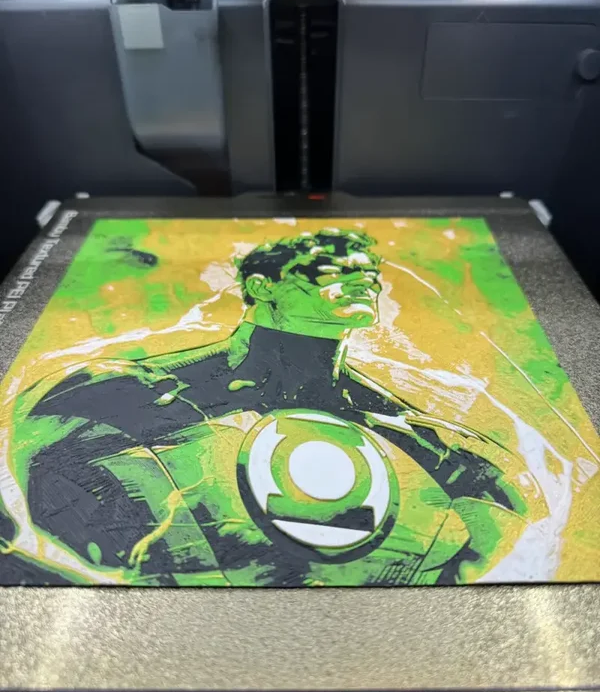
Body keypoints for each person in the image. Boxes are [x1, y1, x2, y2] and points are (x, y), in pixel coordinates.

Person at [8, 228, 528, 586]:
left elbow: (504, 535)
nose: (363, 277)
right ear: (262, 286)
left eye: (370, 270)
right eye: (329, 268)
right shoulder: (113, 392)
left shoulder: (424, 436)